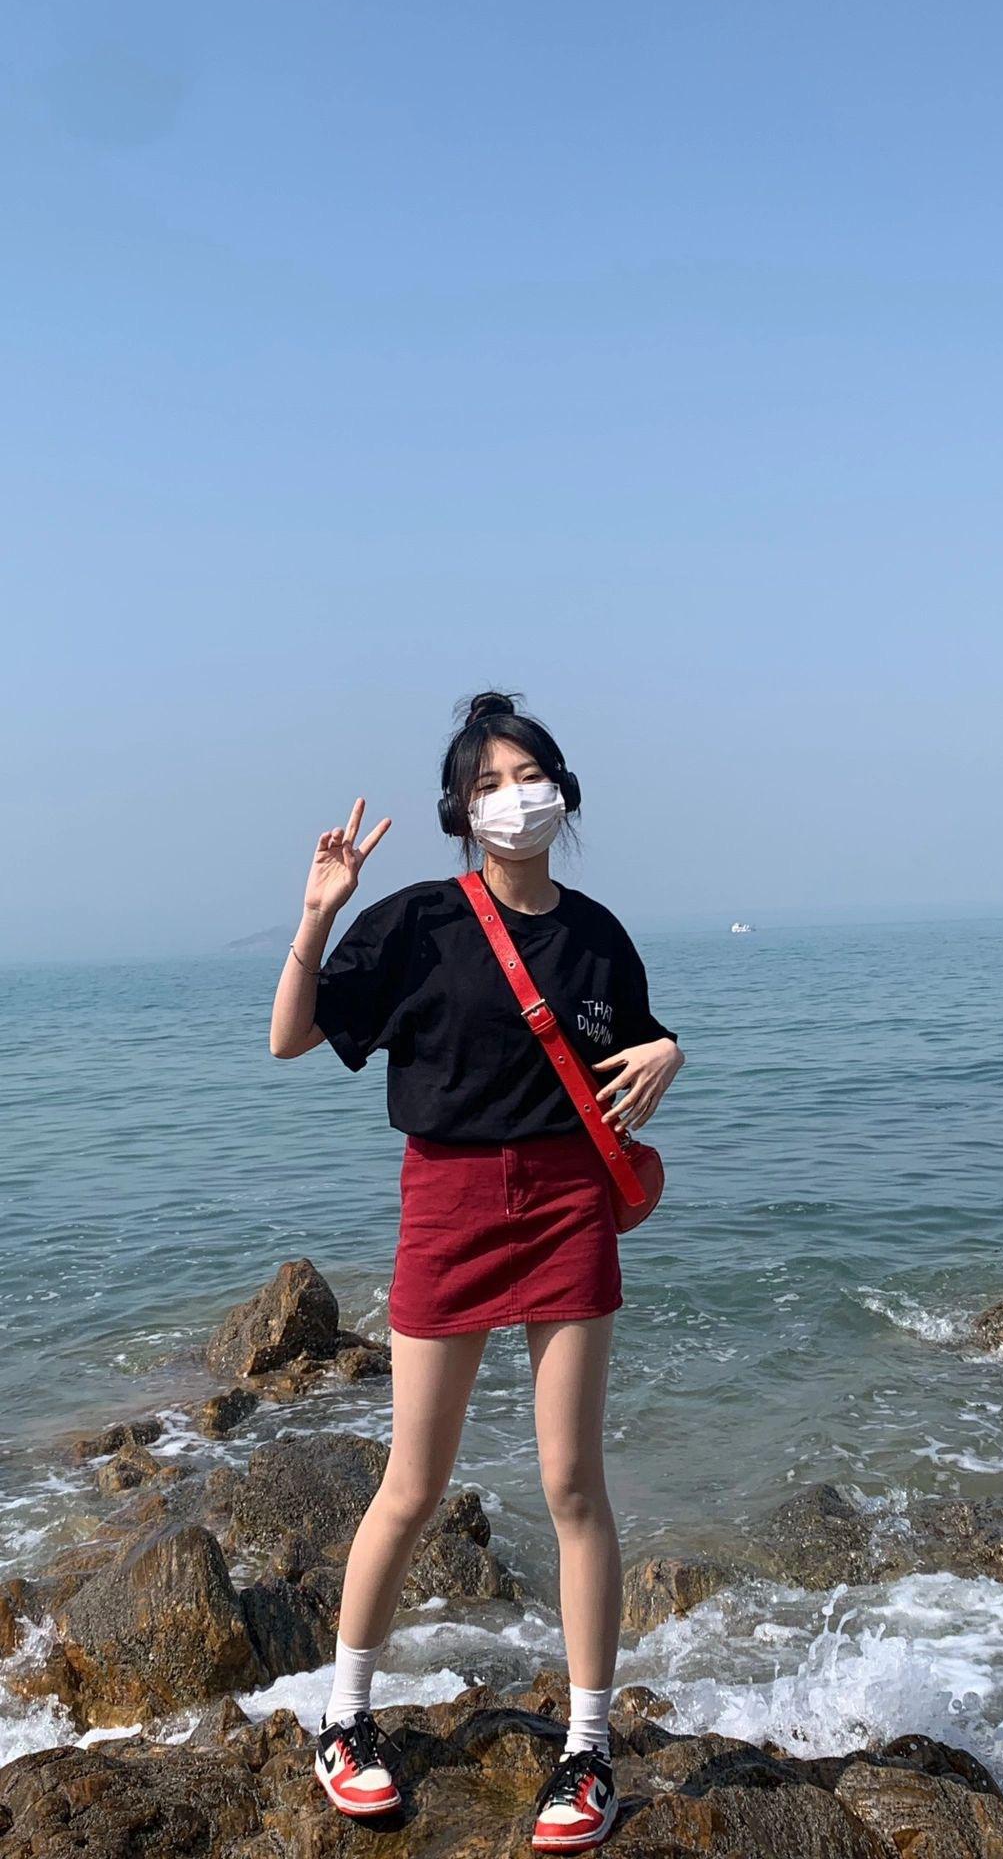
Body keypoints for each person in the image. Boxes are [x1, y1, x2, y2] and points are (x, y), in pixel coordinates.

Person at [269, 688, 685, 1851]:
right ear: (461, 810)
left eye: (529, 774)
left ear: (563, 791)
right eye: (490, 782)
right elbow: (291, 1037)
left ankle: (589, 1752)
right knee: (412, 1484)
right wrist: (317, 915)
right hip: (447, 1204)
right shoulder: (416, 923)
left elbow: (632, 1048)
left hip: (566, 1205)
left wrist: (669, 1048)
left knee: (573, 1486)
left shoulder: (597, 937)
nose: (514, 797)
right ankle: (344, 1723)